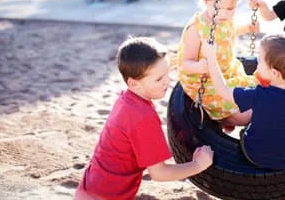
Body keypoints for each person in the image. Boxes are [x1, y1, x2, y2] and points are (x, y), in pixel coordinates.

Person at [76, 37, 213, 200]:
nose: (167, 82)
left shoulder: (126, 100)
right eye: (158, 79)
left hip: (89, 189)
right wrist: (197, 165)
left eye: (167, 74)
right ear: (133, 83)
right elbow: (159, 173)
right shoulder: (142, 117)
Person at [201, 33, 285, 170]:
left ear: (275, 73)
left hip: (254, 154)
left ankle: (224, 122)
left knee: (252, 117)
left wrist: (211, 58)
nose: (257, 62)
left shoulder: (259, 94)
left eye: (260, 60)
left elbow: (222, 90)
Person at [178, 0, 259, 130]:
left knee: (255, 91)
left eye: (230, 8)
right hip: (204, 81)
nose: (224, 14)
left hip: (226, 72)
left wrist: (247, 28)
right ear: (205, 0)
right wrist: (199, 66)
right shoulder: (196, 29)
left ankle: (226, 115)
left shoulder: (226, 19)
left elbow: (229, 33)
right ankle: (222, 120)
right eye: (218, 8)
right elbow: (185, 63)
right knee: (246, 116)